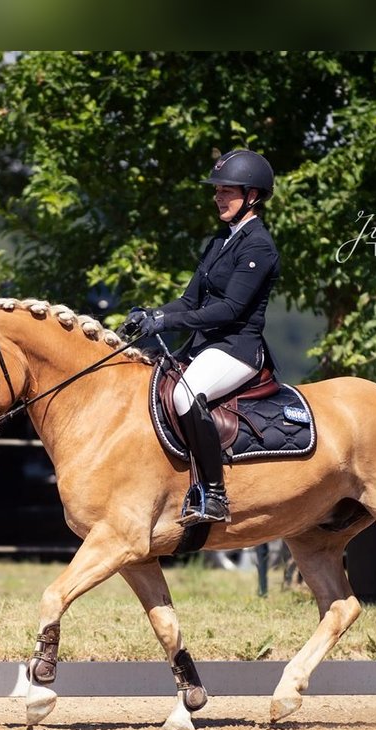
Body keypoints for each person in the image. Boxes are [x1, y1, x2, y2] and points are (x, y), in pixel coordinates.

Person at [125, 148, 281, 525]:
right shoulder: (219, 242)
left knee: (184, 394)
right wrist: (151, 314)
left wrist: (164, 322)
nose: (218, 197)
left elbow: (229, 310)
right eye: (217, 191)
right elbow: (188, 299)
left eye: (227, 191)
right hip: (206, 347)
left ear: (252, 196)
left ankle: (214, 494)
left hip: (237, 349)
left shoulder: (259, 246)